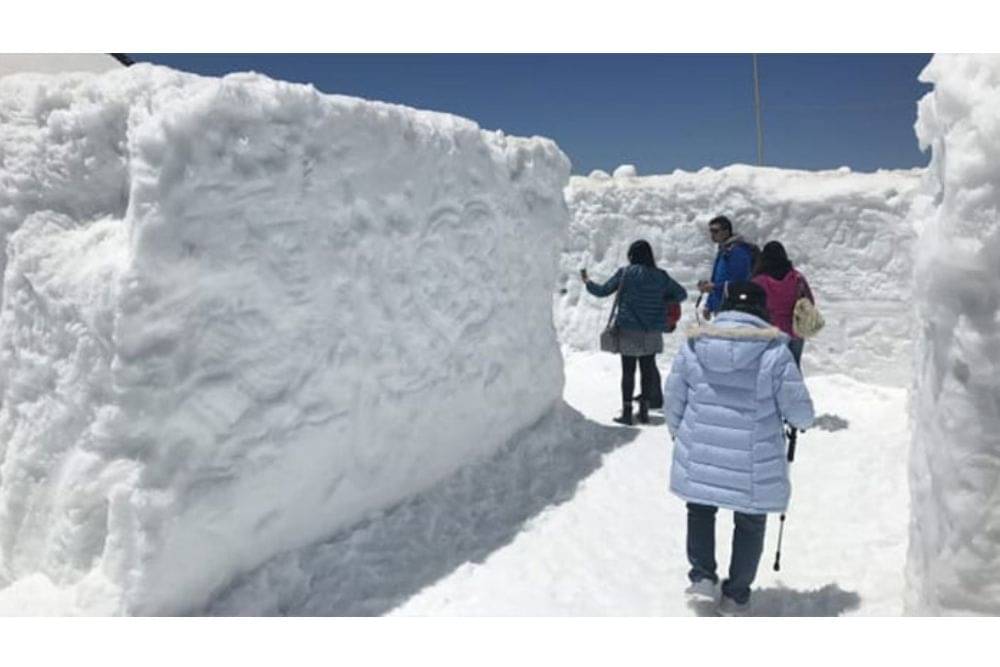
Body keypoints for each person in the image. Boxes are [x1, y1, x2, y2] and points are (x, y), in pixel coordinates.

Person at [664, 281, 814, 615]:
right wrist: (801, 423)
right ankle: (736, 595)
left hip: (702, 448)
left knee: (700, 508)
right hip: (754, 459)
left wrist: (678, 430)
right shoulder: (775, 352)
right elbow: (800, 411)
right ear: (762, 312)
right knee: (750, 521)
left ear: (725, 308)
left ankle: (702, 576)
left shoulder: (694, 344)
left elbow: (674, 395)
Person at [582, 240, 687, 425]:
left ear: (631, 255)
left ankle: (627, 411)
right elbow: (681, 294)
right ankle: (644, 412)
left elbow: (603, 291)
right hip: (652, 330)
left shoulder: (625, 274)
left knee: (628, 371)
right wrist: (661, 298)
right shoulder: (661, 276)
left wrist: (588, 282)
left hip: (628, 329)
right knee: (647, 370)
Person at [751, 241, 815, 368]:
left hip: (771, 331)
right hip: (797, 329)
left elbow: (753, 309)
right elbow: (810, 301)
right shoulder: (797, 278)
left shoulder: (759, 281)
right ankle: (797, 388)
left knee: (772, 369)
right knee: (794, 367)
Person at [697, 216, 755, 321]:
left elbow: (739, 283)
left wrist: (714, 287)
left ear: (726, 231)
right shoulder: (724, 250)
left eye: (715, 231)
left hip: (734, 308)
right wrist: (709, 305)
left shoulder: (738, 252)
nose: (712, 235)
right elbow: (716, 279)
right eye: (711, 231)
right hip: (722, 307)